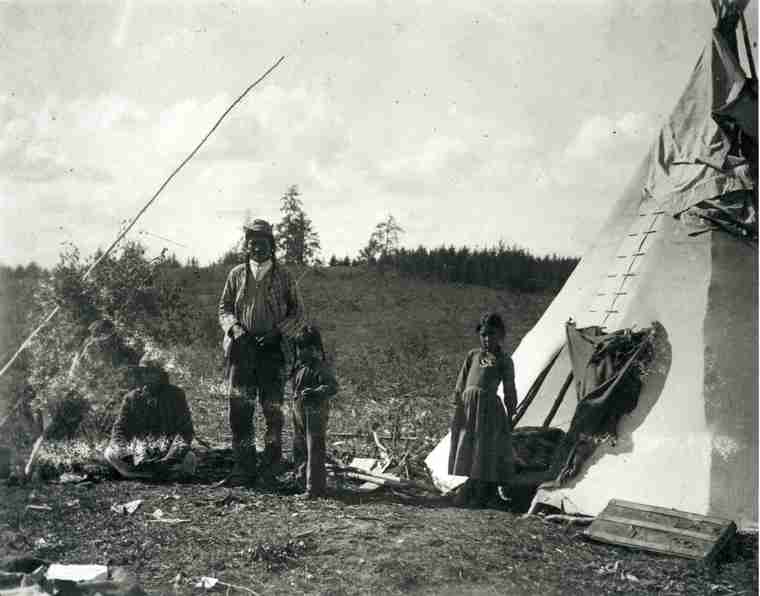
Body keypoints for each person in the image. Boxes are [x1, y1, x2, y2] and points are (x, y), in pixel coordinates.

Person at [218, 219, 305, 485]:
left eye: (263, 243)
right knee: (239, 410)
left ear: (272, 245)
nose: (257, 248)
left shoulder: (284, 276)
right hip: (242, 351)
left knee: (273, 411)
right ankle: (243, 467)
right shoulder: (236, 275)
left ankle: (271, 465)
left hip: (273, 351)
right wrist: (235, 329)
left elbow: (298, 312)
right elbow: (224, 307)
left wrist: (278, 332)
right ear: (246, 246)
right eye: (253, 243)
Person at [448, 312, 518, 507]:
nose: (487, 339)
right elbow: (462, 381)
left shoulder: (504, 360)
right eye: (483, 334)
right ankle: (468, 489)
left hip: (488, 409)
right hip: (468, 406)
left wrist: (511, 409)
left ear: (501, 335)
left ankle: (480, 493)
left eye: (492, 334)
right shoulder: (473, 355)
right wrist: (457, 403)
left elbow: (509, 388)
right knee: (467, 444)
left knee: (484, 447)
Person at [104, 358, 196, 480]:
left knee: (189, 458)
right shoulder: (131, 398)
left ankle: (137, 474)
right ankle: (147, 474)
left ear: (161, 375)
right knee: (110, 452)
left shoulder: (176, 395)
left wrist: (170, 458)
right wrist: (127, 454)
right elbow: (119, 430)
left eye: (152, 372)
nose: (147, 376)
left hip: (167, 452)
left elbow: (185, 431)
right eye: (144, 372)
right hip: (139, 452)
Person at [290, 325, 338, 498]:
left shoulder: (320, 367)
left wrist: (316, 392)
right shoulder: (299, 367)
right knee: (299, 447)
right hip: (299, 412)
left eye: (305, 348)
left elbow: (332, 387)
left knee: (314, 449)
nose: (301, 352)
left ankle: (314, 488)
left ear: (314, 349)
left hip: (315, 412)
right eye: (299, 348)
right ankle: (300, 482)